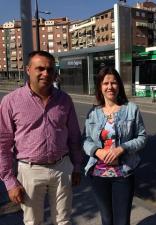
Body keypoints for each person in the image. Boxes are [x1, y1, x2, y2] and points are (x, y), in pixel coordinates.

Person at [0, 50, 83, 225]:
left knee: (63, 221)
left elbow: (74, 136)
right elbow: (3, 144)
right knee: (33, 222)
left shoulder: (64, 100)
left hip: (62, 167)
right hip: (30, 171)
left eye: (50, 69)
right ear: (28, 69)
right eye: (40, 68)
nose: (46, 73)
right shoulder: (11, 101)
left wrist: (76, 166)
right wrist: (10, 182)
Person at [83, 66, 147, 225]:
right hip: (98, 175)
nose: (110, 87)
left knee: (122, 220)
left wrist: (122, 148)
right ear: (100, 86)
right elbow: (84, 139)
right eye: (105, 83)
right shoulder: (93, 113)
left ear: (119, 85)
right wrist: (96, 151)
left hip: (123, 174)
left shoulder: (131, 110)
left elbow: (142, 137)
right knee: (106, 219)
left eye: (114, 83)